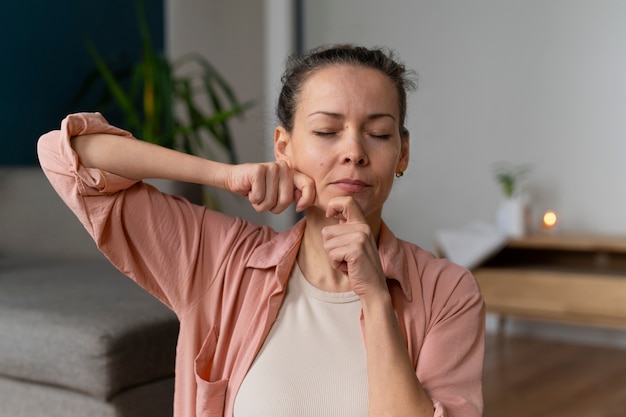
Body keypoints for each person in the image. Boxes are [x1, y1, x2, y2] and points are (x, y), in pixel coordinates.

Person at [38, 44, 485, 417]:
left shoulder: (447, 292)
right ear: (284, 147)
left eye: (379, 134)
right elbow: (65, 155)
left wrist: (376, 296)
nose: (354, 151)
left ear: (402, 154)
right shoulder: (220, 260)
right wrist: (223, 176)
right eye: (328, 131)